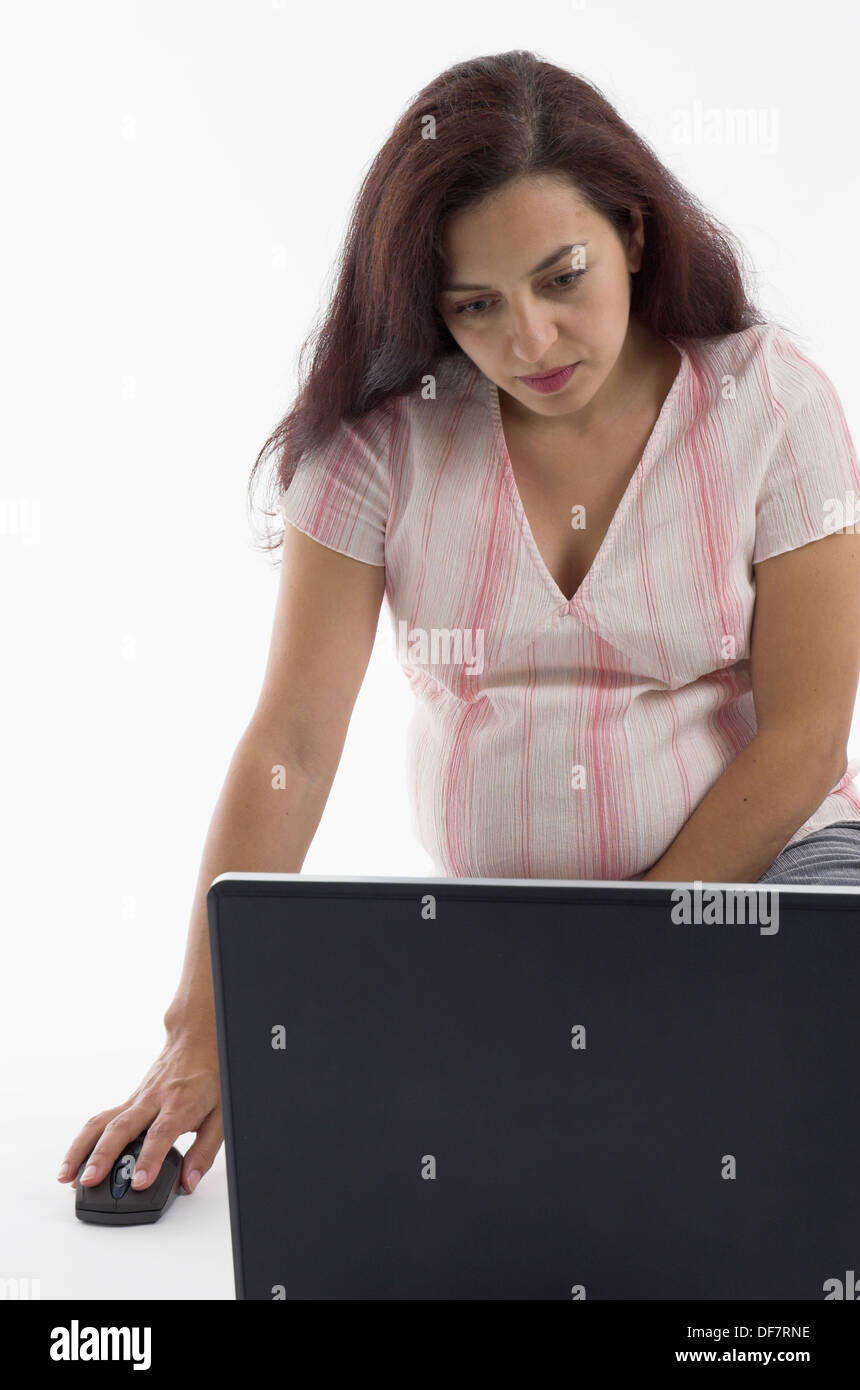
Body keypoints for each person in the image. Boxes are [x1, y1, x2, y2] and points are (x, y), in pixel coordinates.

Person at [57, 50, 860, 1202]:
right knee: (460, 1159)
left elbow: (804, 740)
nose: (529, 340)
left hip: (767, 883)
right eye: (474, 305)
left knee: (775, 1112)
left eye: (559, 277)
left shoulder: (770, 403)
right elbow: (291, 739)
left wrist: (625, 961)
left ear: (633, 232)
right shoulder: (382, 445)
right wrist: (203, 1023)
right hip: (504, 939)